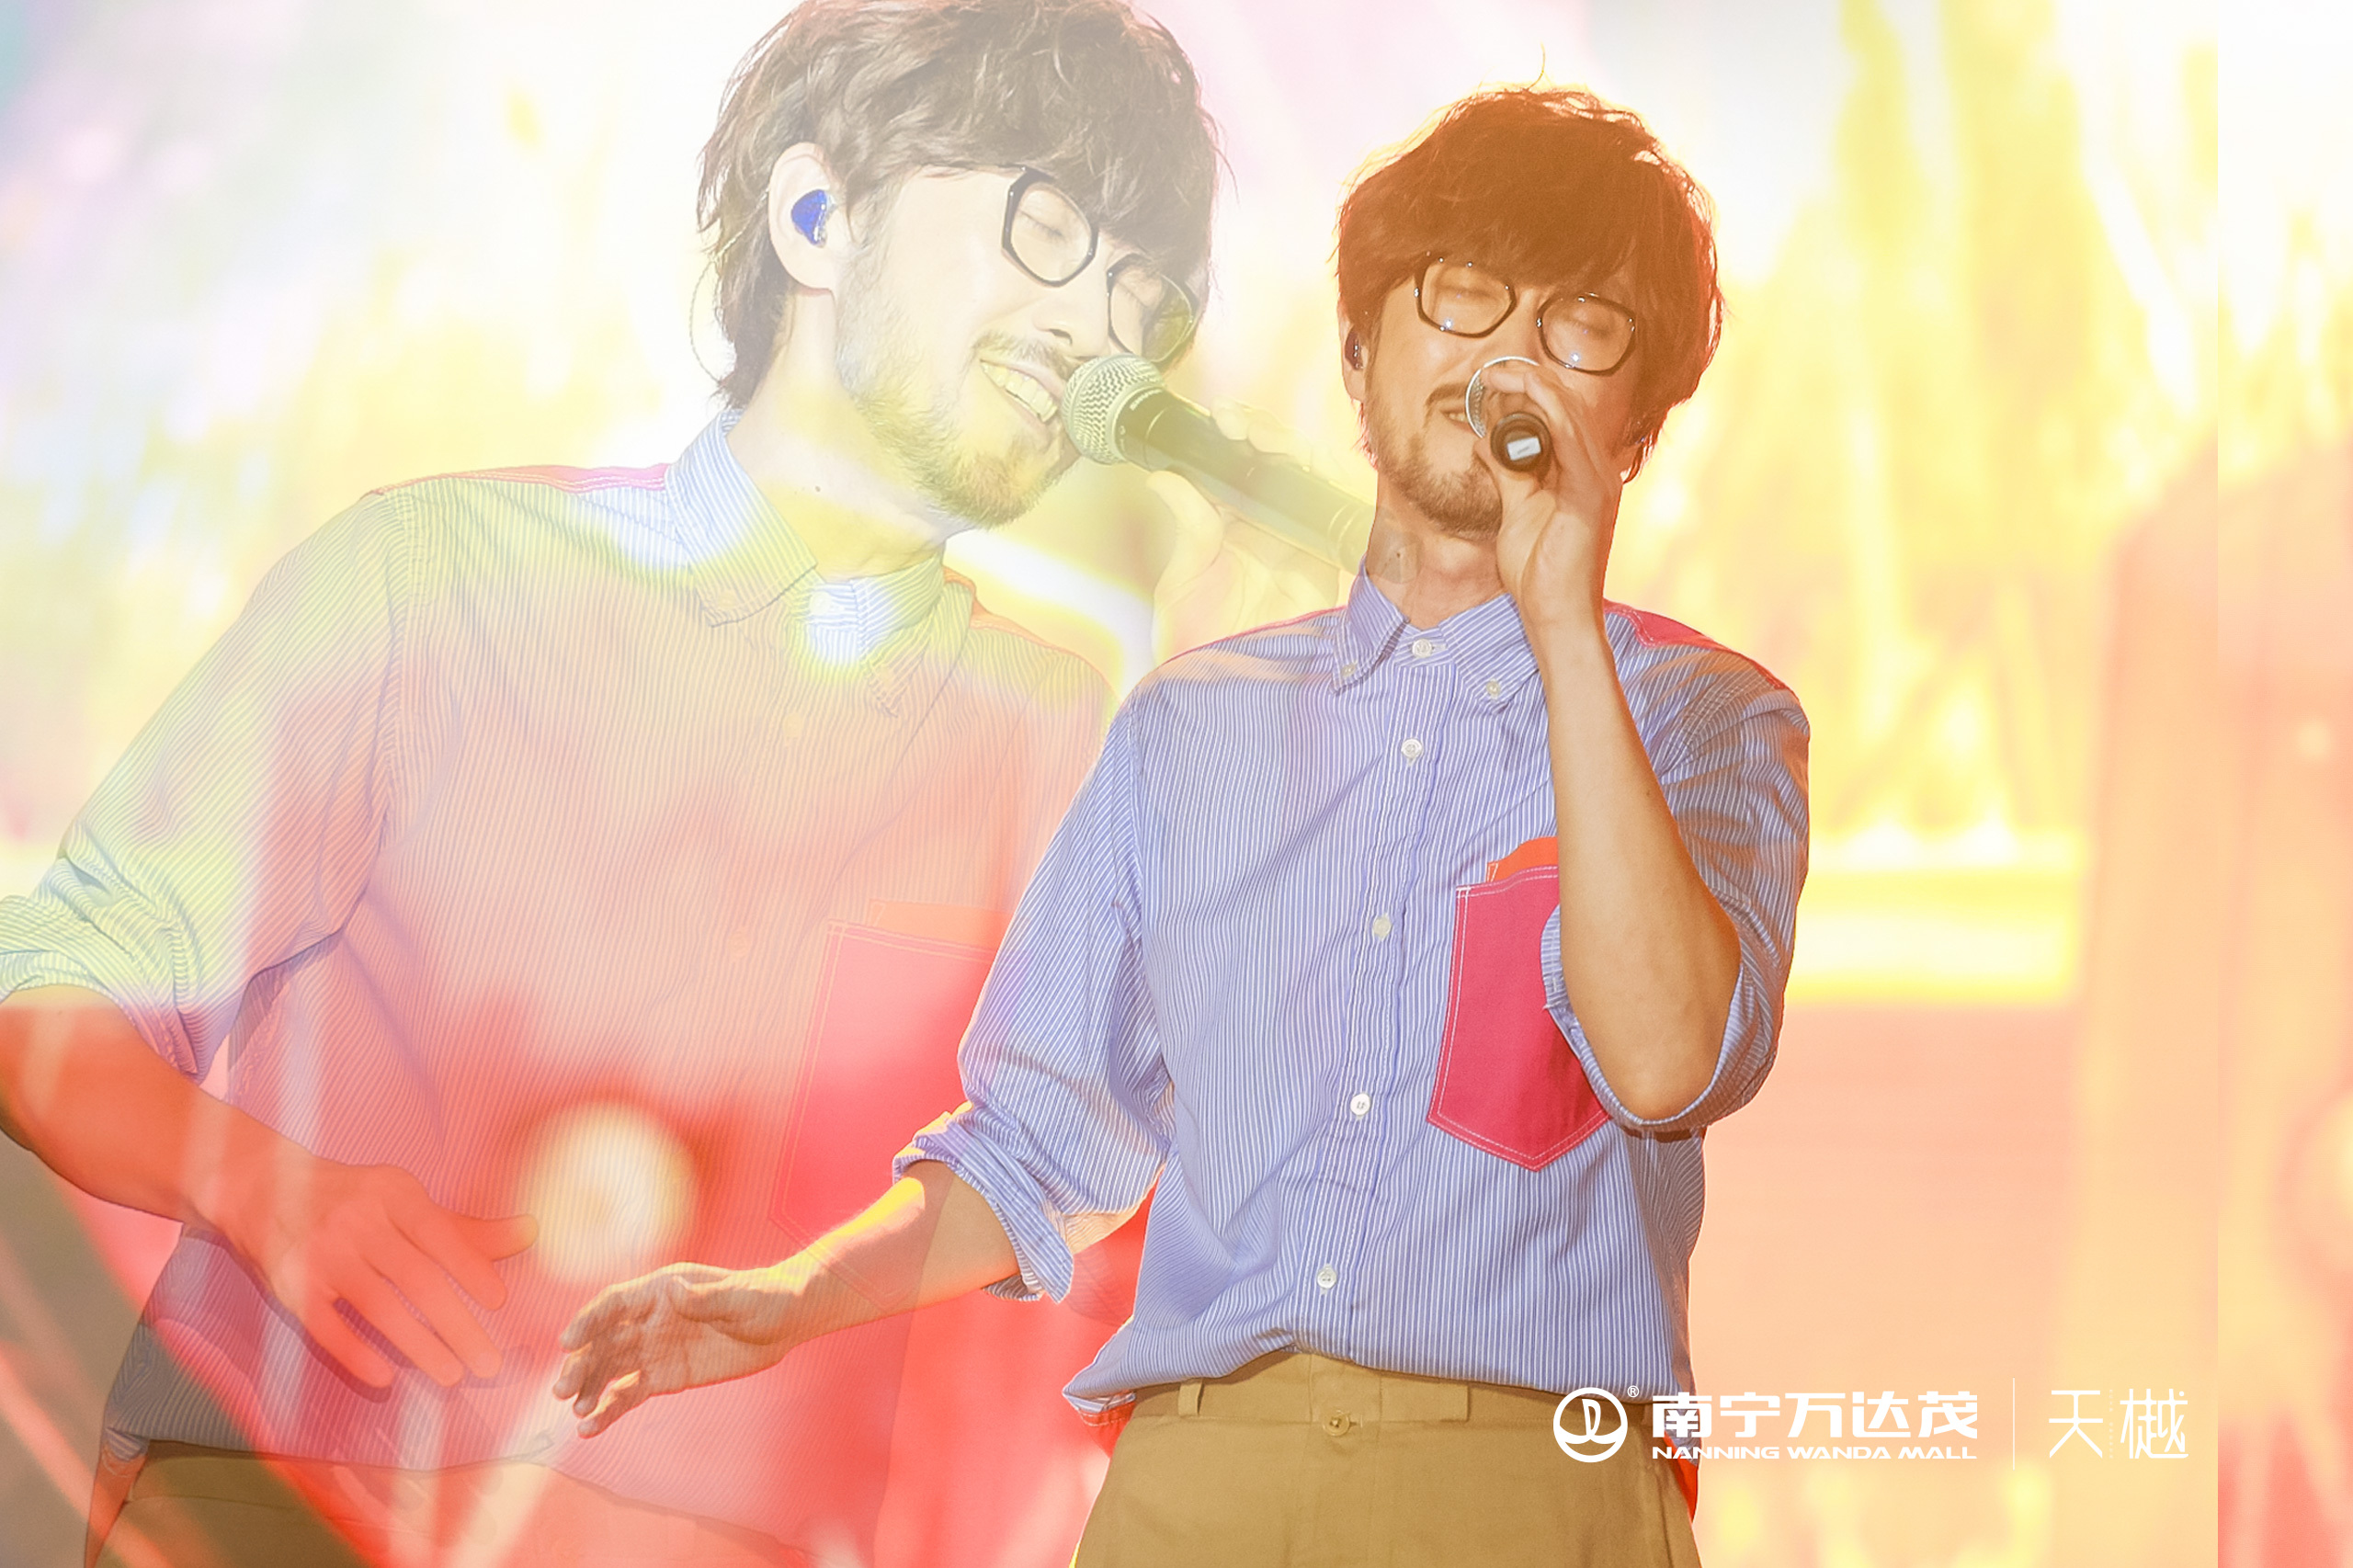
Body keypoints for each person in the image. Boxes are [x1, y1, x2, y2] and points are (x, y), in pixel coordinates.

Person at [0, 1, 1217, 1562]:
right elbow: (53, 993)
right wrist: (258, 1181)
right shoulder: (428, 577)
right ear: (818, 216)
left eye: (1137, 295)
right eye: (1046, 229)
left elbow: (1099, 1174)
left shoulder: (1066, 736)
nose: (1094, 330)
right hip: (268, 1491)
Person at [554, 85, 1811, 1566]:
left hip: (1531, 1485)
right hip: (1197, 1479)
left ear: (1638, 426)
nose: (1509, 359)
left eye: (1579, 325)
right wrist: (795, 1297)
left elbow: (1667, 1062)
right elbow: (1037, 1137)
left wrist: (1562, 632)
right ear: (1360, 355)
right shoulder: (1186, 730)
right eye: (1463, 293)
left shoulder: (1703, 717)